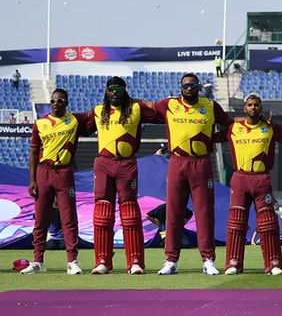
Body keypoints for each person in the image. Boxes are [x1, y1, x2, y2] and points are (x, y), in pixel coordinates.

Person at [142, 73, 235, 276]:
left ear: (199, 87)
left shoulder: (210, 106)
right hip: (177, 162)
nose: (189, 88)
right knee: (173, 212)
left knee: (204, 213)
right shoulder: (169, 104)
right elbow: (147, 106)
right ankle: (170, 260)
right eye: (186, 85)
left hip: (201, 163)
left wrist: (213, 139)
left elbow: (230, 124)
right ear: (181, 87)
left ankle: (208, 260)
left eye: (193, 85)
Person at [74, 77, 161, 275]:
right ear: (106, 91)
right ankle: (103, 261)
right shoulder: (98, 111)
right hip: (104, 164)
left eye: (118, 88)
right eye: (111, 89)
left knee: (130, 213)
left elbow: (163, 116)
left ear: (124, 90)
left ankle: (135, 261)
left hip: (126, 164)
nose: (114, 92)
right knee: (102, 214)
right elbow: (78, 126)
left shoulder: (136, 109)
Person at [21, 89, 87, 275]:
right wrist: (32, 180)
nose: (56, 103)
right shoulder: (40, 123)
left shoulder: (74, 121)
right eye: (53, 100)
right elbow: (34, 153)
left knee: (68, 218)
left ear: (66, 103)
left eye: (60, 100)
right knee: (40, 219)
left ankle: (72, 261)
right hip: (43, 172)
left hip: (64, 173)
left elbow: (96, 117)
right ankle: (38, 261)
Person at [219, 93, 282, 275]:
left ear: (261, 108)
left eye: (256, 105)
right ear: (244, 108)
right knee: (236, 222)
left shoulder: (270, 128)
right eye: (250, 105)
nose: (253, 108)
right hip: (240, 178)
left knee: (268, 222)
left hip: (262, 178)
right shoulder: (233, 128)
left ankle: (274, 263)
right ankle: (233, 263)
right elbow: (212, 136)